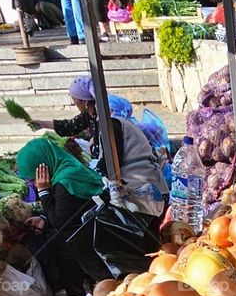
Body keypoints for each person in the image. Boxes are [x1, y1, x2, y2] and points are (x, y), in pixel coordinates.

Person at [30, 77, 169, 232]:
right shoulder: (94, 117)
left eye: (74, 99)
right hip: (134, 187)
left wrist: (83, 177)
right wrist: (42, 124)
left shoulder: (111, 125)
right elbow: (69, 127)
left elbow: (109, 164)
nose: (74, 102)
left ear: (84, 101)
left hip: (145, 190)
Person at [16, 137, 111, 296]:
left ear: (42, 168)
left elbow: (61, 222)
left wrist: (44, 191)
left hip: (95, 238)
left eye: (33, 178)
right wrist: (44, 218)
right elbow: (67, 211)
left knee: (56, 240)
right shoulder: (68, 168)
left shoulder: (65, 181)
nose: (33, 182)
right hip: (93, 226)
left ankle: (78, 295)